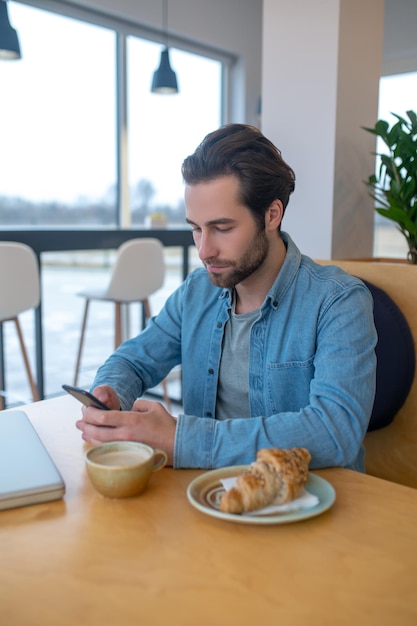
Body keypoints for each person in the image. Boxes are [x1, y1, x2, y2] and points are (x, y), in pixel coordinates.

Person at [76, 123, 377, 472]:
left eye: (222, 228)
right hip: (209, 497)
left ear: (271, 214)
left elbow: (334, 431)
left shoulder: (338, 301)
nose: (204, 250)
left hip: (310, 505)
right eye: (195, 228)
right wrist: (109, 394)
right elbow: (132, 360)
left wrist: (180, 440)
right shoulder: (196, 292)